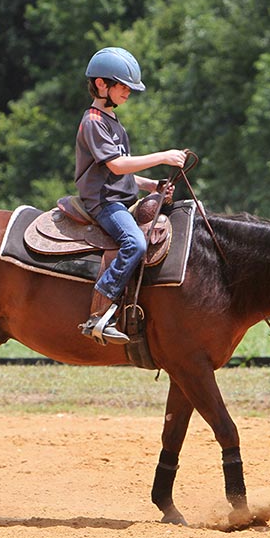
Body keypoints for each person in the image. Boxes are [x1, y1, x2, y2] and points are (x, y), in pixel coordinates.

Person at [75, 47, 187, 345]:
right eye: (123, 86)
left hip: (119, 198)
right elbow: (116, 165)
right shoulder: (94, 122)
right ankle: (98, 314)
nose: (128, 92)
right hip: (105, 204)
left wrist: (150, 185)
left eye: (129, 88)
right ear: (102, 84)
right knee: (135, 243)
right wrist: (162, 156)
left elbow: (118, 172)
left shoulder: (111, 122)